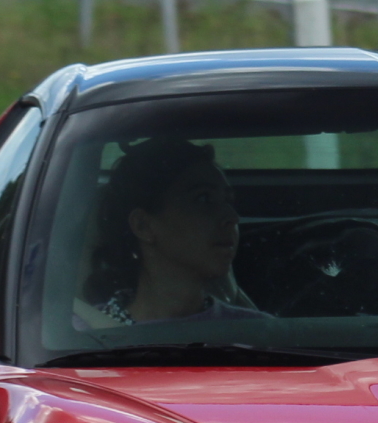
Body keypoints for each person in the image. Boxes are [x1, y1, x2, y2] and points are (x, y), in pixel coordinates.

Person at [78, 138, 267, 328]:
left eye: (228, 201)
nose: (232, 217)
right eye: (203, 199)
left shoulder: (260, 334)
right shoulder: (84, 335)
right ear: (143, 226)